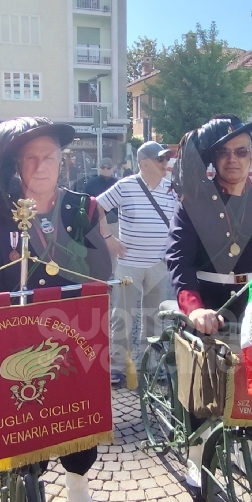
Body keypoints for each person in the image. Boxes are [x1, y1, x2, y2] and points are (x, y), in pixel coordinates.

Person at [0, 117, 111, 502]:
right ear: (17, 165)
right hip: (16, 340)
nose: (42, 165)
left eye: (50, 156)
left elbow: (101, 272)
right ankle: (25, 493)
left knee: (79, 423)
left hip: (77, 335)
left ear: (62, 162)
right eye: (31, 158)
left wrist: (95, 240)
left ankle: (79, 489)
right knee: (24, 427)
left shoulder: (82, 207)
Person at [167, 115, 252, 494]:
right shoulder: (194, 202)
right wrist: (193, 306)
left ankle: (246, 450)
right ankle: (197, 457)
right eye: (225, 153)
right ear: (213, 160)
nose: (233, 160)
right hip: (207, 305)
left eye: (241, 152)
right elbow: (179, 260)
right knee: (202, 389)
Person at [96, 141, 178, 388]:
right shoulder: (126, 186)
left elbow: (178, 221)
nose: (166, 163)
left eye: (166, 159)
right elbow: (97, 207)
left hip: (158, 265)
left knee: (154, 317)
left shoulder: (171, 188)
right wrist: (109, 238)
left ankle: (151, 363)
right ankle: (116, 367)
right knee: (122, 317)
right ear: (144, 163)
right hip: (129, 265)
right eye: (160, 159)